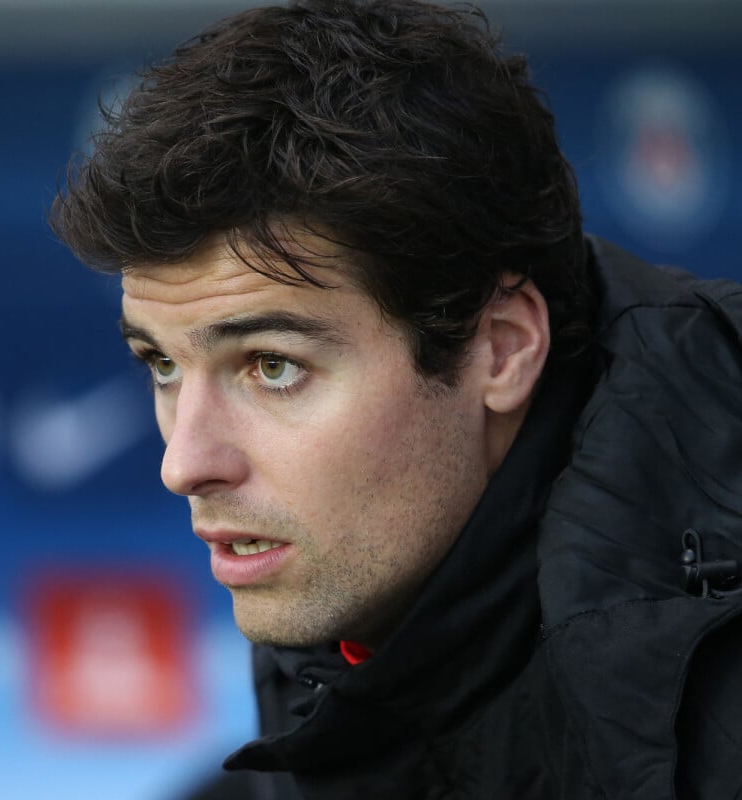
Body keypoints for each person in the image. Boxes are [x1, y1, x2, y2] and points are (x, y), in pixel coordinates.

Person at [49, 1, 742, 797]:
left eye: (273, 367)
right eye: (163, 366)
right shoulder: (351, 599)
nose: (186, 463)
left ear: (503, 349)